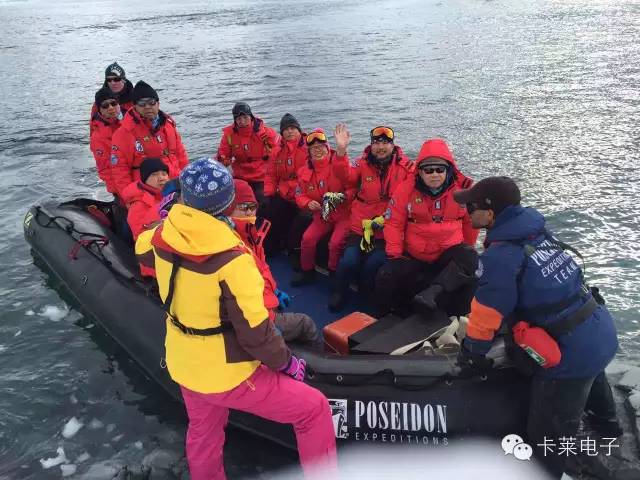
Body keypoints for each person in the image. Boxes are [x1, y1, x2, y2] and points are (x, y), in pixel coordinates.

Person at [135, 158, 337, 480]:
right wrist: (285, 363)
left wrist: (170, 217)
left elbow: (142, 247)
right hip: (225, 371)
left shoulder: (164, 234)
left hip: (184, 361)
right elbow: (256, 331)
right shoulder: (233, 258)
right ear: (228, 203)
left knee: (204, 430)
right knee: (313, 409)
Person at [453, 176, 620, 479]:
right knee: (591, 369)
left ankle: (550, 470)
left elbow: (486, 313)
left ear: (490, 213)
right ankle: (609, 428)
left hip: (570, 354)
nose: (467, 212)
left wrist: (472, 353)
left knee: (545, 437)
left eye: (471, 207)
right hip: (599, 329)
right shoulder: (536, 233)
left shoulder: (501, 255)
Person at [374, 138, 479, 317]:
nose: (434, 174)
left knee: (470, 257)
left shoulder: (463, 193)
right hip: (415, 256)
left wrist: (465, 250)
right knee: (385, 275)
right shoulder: (405, 190)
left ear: (448, 170)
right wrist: (395, 255)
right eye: (428, 170)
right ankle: (388, 316)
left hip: (446, 254)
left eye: (440, 169)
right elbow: (393, 223)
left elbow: (471, 224)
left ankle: (447, 306)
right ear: (420, 172)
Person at [328, 125, 413, 311]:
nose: (380, 147)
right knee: (348, 261)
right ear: (371, 145)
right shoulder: (361, 163)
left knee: (373, 264)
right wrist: (341, 150)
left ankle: (367, 297)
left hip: (386, 231)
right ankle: (339, 291)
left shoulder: (406, 167)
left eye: (385, 143)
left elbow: (425, 179)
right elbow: (345, 175)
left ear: (393, 145)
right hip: (360, 228)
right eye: (376, 143)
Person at [231, 179, 321, 346]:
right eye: (242, 207)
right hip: (257, 318)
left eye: (252, 206)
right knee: (305, 323)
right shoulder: (234, 248)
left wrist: (275, 291)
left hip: (264, 301)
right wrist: (266, 323)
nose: (249, 212)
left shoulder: (251, 236)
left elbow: (261, 270)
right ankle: (317, 359)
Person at [292, 128, 351, 286]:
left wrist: (341, 197)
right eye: (313, 148)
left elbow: (353, 186)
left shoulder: (339, 165)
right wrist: (307, 203)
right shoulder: (304, 171)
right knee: (307, 239)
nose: (317, 151)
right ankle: (307, 271)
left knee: (335, 243)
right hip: (322, 214)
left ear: (327, 148)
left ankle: (334, 276)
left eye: (320, 147)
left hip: (343, 214)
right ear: (309, 152)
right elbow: (299, 194)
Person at [110, 80, 189, 198]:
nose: (147, 107)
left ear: (158, 104)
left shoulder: (168, 125)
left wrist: (187, 180)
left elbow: (181, 156)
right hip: (147, 194)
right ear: (134, 106)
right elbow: (120, 170)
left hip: (176, 187)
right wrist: (131, 199)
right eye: (142, 104)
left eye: (151, 102)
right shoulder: (124, 133)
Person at [263, 113, 310, 256]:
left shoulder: (309, 147)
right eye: (286, 129)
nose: (289, 131)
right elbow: (271, 174)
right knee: (268, 209)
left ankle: (294, 250)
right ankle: (272, 246)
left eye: (292, 128)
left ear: (299, 130)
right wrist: (269, 192)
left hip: (304, 195)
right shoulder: (277, 151)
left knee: (301, 220)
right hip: (285, 194)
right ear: (282, 133)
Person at [216, 102, 279, 204]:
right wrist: (221, 160)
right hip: (240, 175)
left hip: (262, 176)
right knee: (231, 200)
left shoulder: (265, 132)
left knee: (263, 200)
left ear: (251, 117)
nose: (242, 121)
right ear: (235, 120)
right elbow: (223, 156)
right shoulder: (229, 135)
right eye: (239, 119)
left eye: (245, 117)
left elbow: (279, 149)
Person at [121, 157, 169, 240]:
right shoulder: (138, 205)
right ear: (145, 179)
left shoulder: (173, 194)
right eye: (154, 174)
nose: (161, 178)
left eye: (164, 174)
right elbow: (140, 236)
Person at [90, 87, 122, 194]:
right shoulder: (98, 137)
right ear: (100, 110)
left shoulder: (127, 124)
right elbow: (105, 169)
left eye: (113, 103)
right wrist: (120, 191)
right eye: (105, 105)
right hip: (119, 187)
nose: (110, 108)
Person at [89, 62, 134, 126]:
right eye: (109, 80)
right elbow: (94, 125)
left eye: (116, 79)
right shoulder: (99, 100)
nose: (113, 83)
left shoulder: (136, 98)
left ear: (123, 80)